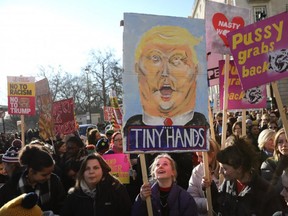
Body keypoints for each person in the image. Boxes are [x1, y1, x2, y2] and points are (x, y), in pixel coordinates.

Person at [124, 25, 208, 129]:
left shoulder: (204, 129)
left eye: (177, 59)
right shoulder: (130, 131)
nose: (165, 72)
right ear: (137, 68)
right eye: (155, 58)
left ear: (196, 70)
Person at [212, 137, 281, 216]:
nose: (220, 172)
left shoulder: (265, 192)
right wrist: (210, 188)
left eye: (225, 168)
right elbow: (218, 208)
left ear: (239, 167)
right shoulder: (228, 183)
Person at [0, 144, 66, 214]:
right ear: (31, 171)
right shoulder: (11, 187)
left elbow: (62, 206)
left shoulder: (54, 181)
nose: (49, 177)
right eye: (44, 175)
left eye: (51, 172)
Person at [61, 153, 132, 216]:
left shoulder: (117, 189)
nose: (91, 171)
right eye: (87, 168)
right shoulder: (74, 195)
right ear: (82, 173)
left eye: (96, 168)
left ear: (103, 170)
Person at [132, 153, 198, 216]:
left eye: (165, 164)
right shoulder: (146, 196)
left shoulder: (185, 198)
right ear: (154, 173)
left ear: (173, 172)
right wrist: (141, 199)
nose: (160, 166)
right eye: (157, 165)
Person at [187, 139, 220, 216]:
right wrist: (208, 203)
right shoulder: (197, 171)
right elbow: (192, 198)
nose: (198, 160)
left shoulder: (225, 170)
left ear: (212, 154)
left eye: (201, 156)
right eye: (197, 156)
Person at [261, 128, 288, 193]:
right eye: (280, 142)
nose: (284, 145)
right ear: (276, 146)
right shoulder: (268, 164)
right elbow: (270, 188)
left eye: (287, 141)